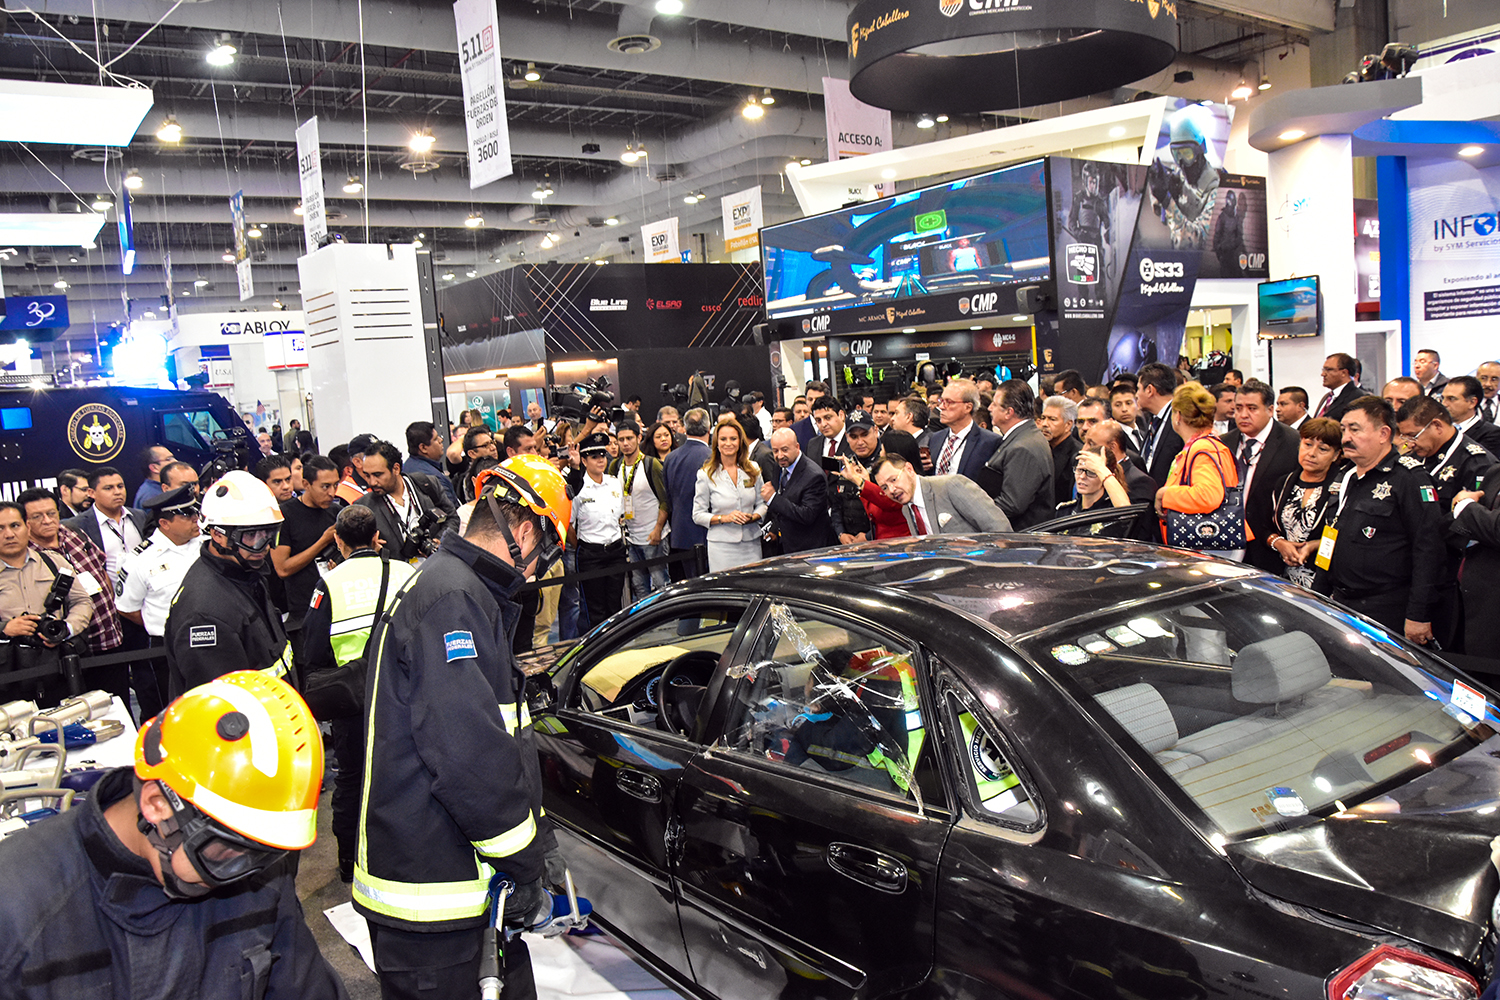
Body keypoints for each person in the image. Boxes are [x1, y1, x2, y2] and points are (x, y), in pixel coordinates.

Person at [356, 458, 569, 1000]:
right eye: (545, 555)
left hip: (452, 888)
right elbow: (466, 755)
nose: (540, 572)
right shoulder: (455, 600)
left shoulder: (451, 586)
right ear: (525, 534)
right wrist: (525, 863)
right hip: (434, 903)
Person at [0, 670, 347, 999]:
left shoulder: (257, 874)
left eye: (265, 852)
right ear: (157, 805)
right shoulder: (17, 908)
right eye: (224, 851)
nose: (244, 872)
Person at [302, 504, 417, 883]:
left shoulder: (330, 584)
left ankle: (350, 863)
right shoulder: (404, 571)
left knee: (352, 781)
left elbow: (314, 652)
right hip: (405, 693)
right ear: (376, 537)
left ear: (337, 540)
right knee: (407, 773)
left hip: (353, 702)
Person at [1325, 395, 1445, 642]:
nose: (1345, 437)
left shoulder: (1409, 478)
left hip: (1387, 606)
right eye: (1343, 429)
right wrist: (1317, 596)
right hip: (1342, 601)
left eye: (1355, 430)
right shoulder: (1344, 476)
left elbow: (1429, 549)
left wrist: (1418, 615)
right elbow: (1332, 536)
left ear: (1383, 434)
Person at [163, 470, 291, 699]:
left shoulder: (246, 573)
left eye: (269, 533)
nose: (264, 545)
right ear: (218, 535)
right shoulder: (204, 614)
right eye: (251, 535)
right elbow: (221, 705)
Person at [113, 486, 202, 718]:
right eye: (187, 515)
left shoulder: (207, 544)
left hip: (209, 641)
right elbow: (127, 608)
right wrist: (165, 624)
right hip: (166, 648)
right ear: (165, 523)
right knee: (169, 711)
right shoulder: (140, 561)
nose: (196, 519)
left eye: (196, 512)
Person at [18, 487, 122, 682]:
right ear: (25, 522)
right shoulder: (25, 557)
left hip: (108, 638)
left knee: (118, 702)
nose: (47, 520)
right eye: (37, 516)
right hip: (69, 650)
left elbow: (100, 568)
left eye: (51, 513)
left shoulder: (73, 532)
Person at [0, 500, 93, 704]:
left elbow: (82, 601)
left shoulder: (54, 562)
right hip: (9, 677)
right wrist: (5, 629)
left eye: (15, 525)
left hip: (59, 668)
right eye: (0, 528)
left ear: (27, 526)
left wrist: (66, 629)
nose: (8, 534)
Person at [1221, 379, 1301, 572]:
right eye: (1238, 408)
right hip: (1227, 542)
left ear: (1270, 409)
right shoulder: (1224, 442)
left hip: (1270, 545)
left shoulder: (1292, 442)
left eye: (1252, 408)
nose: (1243, 415)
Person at [1153, 382, 1241, 556]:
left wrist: (1164, 494)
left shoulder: (1202, 448)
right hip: (1206, 545)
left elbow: (1207, 496)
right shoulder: (1206, 444)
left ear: (1177, 415)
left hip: (1205, 547)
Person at [1265, 417, 1343, 595]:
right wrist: (1278, 543)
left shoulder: (1342, 486)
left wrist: (1315, 545)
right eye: (1307, 444)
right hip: (1283, 580)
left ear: (1336, 455)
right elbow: (1264, 525)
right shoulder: (1284, 482)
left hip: (1326, 582)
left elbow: (1348, 537)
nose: (1312, 453)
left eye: (1323, 449)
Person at [271, 455, 340, 644]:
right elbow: (282, 568)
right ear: (306, 484)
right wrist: (323, 541)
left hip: (338, 605)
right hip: (304, 612)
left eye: (335, 485)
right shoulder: (286, 515)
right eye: (325, 487)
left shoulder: (335, 512)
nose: (332, 493)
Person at [357, 441, 456, 565]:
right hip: (397, 576)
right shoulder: (363, 508)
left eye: (378, 475)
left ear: (396, 469)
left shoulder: (427, 484)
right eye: (367, 475)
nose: (372, 482)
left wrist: (439, 540)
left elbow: (452, 518)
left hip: (435, 567)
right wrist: (370, 550)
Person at [978, 380, 1055, 528]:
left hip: (1022, 539)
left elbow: (1012, 504)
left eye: (995, 404)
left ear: (1008, 412)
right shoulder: (1024, 437)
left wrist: (974, 512)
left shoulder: (1023, 447)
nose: (989, 408)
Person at [570, 431, 628, 627]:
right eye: (594, 457)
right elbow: (569, 524)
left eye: (602, 455)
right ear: (584, 461)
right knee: (595, 609)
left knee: (614, 604)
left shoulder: (613, 482)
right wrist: (583, 547)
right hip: (591, 553)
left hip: (615, 550)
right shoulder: (578, 488)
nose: (600, 460)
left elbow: (620, 514)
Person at [871, 454, 1012, 535]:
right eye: (884, 487)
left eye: (894, 480)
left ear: (909, 469)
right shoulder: (907, 509)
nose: (892, 490)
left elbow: (999, 527)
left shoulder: (951, 486)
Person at [1396, 396, 1498, 507]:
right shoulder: (1416, 452)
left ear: (1437, 426)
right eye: (1405, 437)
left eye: (1413, 436)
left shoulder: (1476, 464)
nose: (1410, 444)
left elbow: (1477, 517)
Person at [693, 419, 767, 572]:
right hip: (722, 547)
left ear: (740, 441)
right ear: (716, 443)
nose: (728, 443)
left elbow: (763, 503)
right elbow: (698, 515)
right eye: (723, 439)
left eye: (733, 439)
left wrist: (754, 517)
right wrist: (724, 518)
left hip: (751, 543)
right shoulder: (706, 474)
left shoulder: (752, 469)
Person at [611, 422, 670, 599]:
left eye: (629, 438)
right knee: (639, 585)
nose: (625, 443)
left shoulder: (651, 464)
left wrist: (658, 529)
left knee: (661, 583)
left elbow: (665, 501)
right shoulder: (615, 466)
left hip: (652, 534)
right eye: (621, 440)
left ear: (639, 438)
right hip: (630, 537)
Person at [1449, 466, 1500, 655]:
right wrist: (1460, 511)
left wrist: (1465, 508)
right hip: (1471, 605)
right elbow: (1455, 527)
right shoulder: (1495, 472)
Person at [760, 428, 833, 555]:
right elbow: (783, 495)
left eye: (785, 449)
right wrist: (775, 527)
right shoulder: (779, 465)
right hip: (786, 545)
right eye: (775, 450)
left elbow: (806, 515)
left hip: (810, 548)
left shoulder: (814, 476)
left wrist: (773, 499)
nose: (780, 455)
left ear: (797, 447)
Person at [663, 408, 713, 580]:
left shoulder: (671, 458)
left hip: (680, 533)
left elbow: (668, 497)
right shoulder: (712, 457)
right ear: (709, 427)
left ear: (684, 427)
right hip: (707, 534)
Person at [928, 379, 1001, 480]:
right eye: (942, 401)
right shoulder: (935, 438)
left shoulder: (990, 442)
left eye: (949, 402)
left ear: (968, 407)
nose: (941, 407)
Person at [829, 410, 882, 544]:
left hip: (881, 542)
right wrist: (841, 533)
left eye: (865, 435)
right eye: (854, 437)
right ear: (846, 437)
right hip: (849, 544)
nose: (860, 442)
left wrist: (869, 536)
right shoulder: (845, 464)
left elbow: (894, 511)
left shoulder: (887, 465)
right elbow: (836, 505)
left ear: (875, 431)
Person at [1052, 446, 1132, 530]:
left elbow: (1125, 513)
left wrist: (1100, 469)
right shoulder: (1065, 511)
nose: (1082, 476)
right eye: (1080, 470)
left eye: (1091, 472)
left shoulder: (1111, 512)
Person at [1135, 362, 1185, 485]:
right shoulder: (1152, 419)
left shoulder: (1181, 418)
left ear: (1149, 390)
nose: (1136, 395)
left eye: (1138, 389)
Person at [404, 420, 461, 508]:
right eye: (435, 439)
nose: (441, 440)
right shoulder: (432, 477)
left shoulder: (407, 466)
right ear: (423, 448)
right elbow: (452, 511)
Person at [1038, 396, 1081, 506]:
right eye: (1043, 418)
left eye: (1052, 419)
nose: (1045, 424)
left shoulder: (1077, 455)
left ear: (1068, 425)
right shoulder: (1040, 448)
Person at [1442, 376, 1500, 455]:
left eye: (1451, 399)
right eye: (1443, 398)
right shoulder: (1438, 428)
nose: (1444, 404)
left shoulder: (1492, 434)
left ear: (1472, 402)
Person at [1313, 353, 1361, 422]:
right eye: (1323, 370)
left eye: (1328, 370)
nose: (1323, 374)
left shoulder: (1357, 398)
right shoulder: (1327, 397)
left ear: (1344, 373)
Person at [1109, 384, 1144, 450]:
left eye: (1128, 403)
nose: (1124, 409)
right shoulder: (1112, 438)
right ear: (1111, 408)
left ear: (1138, 405)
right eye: (1118, 405)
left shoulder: (1146, 434)